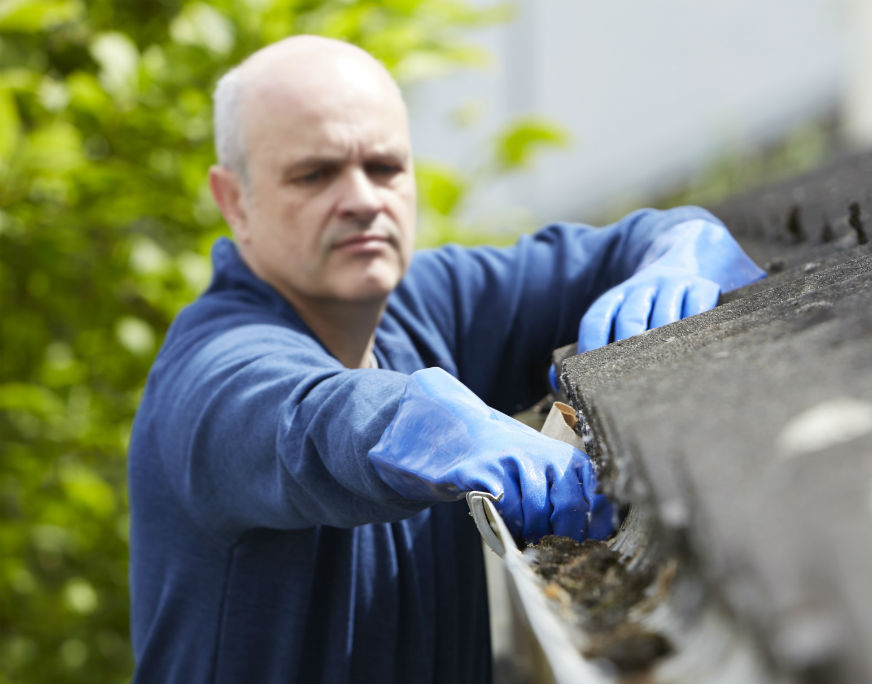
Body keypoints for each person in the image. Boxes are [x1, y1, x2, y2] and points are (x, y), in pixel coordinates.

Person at [127, 35, 765, 683]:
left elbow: (635, 244)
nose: (362, 199)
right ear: (235, 200)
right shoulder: (206, 374)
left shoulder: (432, 302)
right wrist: (418, 420)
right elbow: (305, 419)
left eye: (384, 167)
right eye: (314, 174)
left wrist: (684, 248)